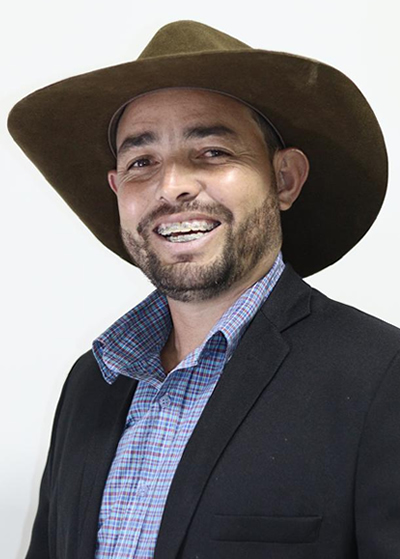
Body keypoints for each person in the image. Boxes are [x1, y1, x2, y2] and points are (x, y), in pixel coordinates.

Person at [8, 20, 400, 559]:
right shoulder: (92, 383)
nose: (172, 187)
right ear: (118, 191)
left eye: (212, 152)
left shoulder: (383, 378)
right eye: (141, 162)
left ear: (284, 179)